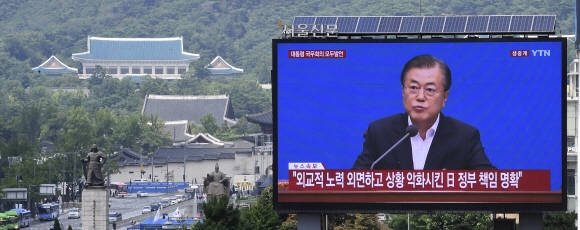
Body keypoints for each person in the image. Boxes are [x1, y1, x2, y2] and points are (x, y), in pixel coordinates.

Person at [352, 54, 496, 170]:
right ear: (403, 91)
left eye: (430, 90)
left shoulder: (464, 137)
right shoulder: (380, 132)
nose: (420, 97)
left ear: (445, 97)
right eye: (413, 87)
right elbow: (354, 182)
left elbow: (491, 182)